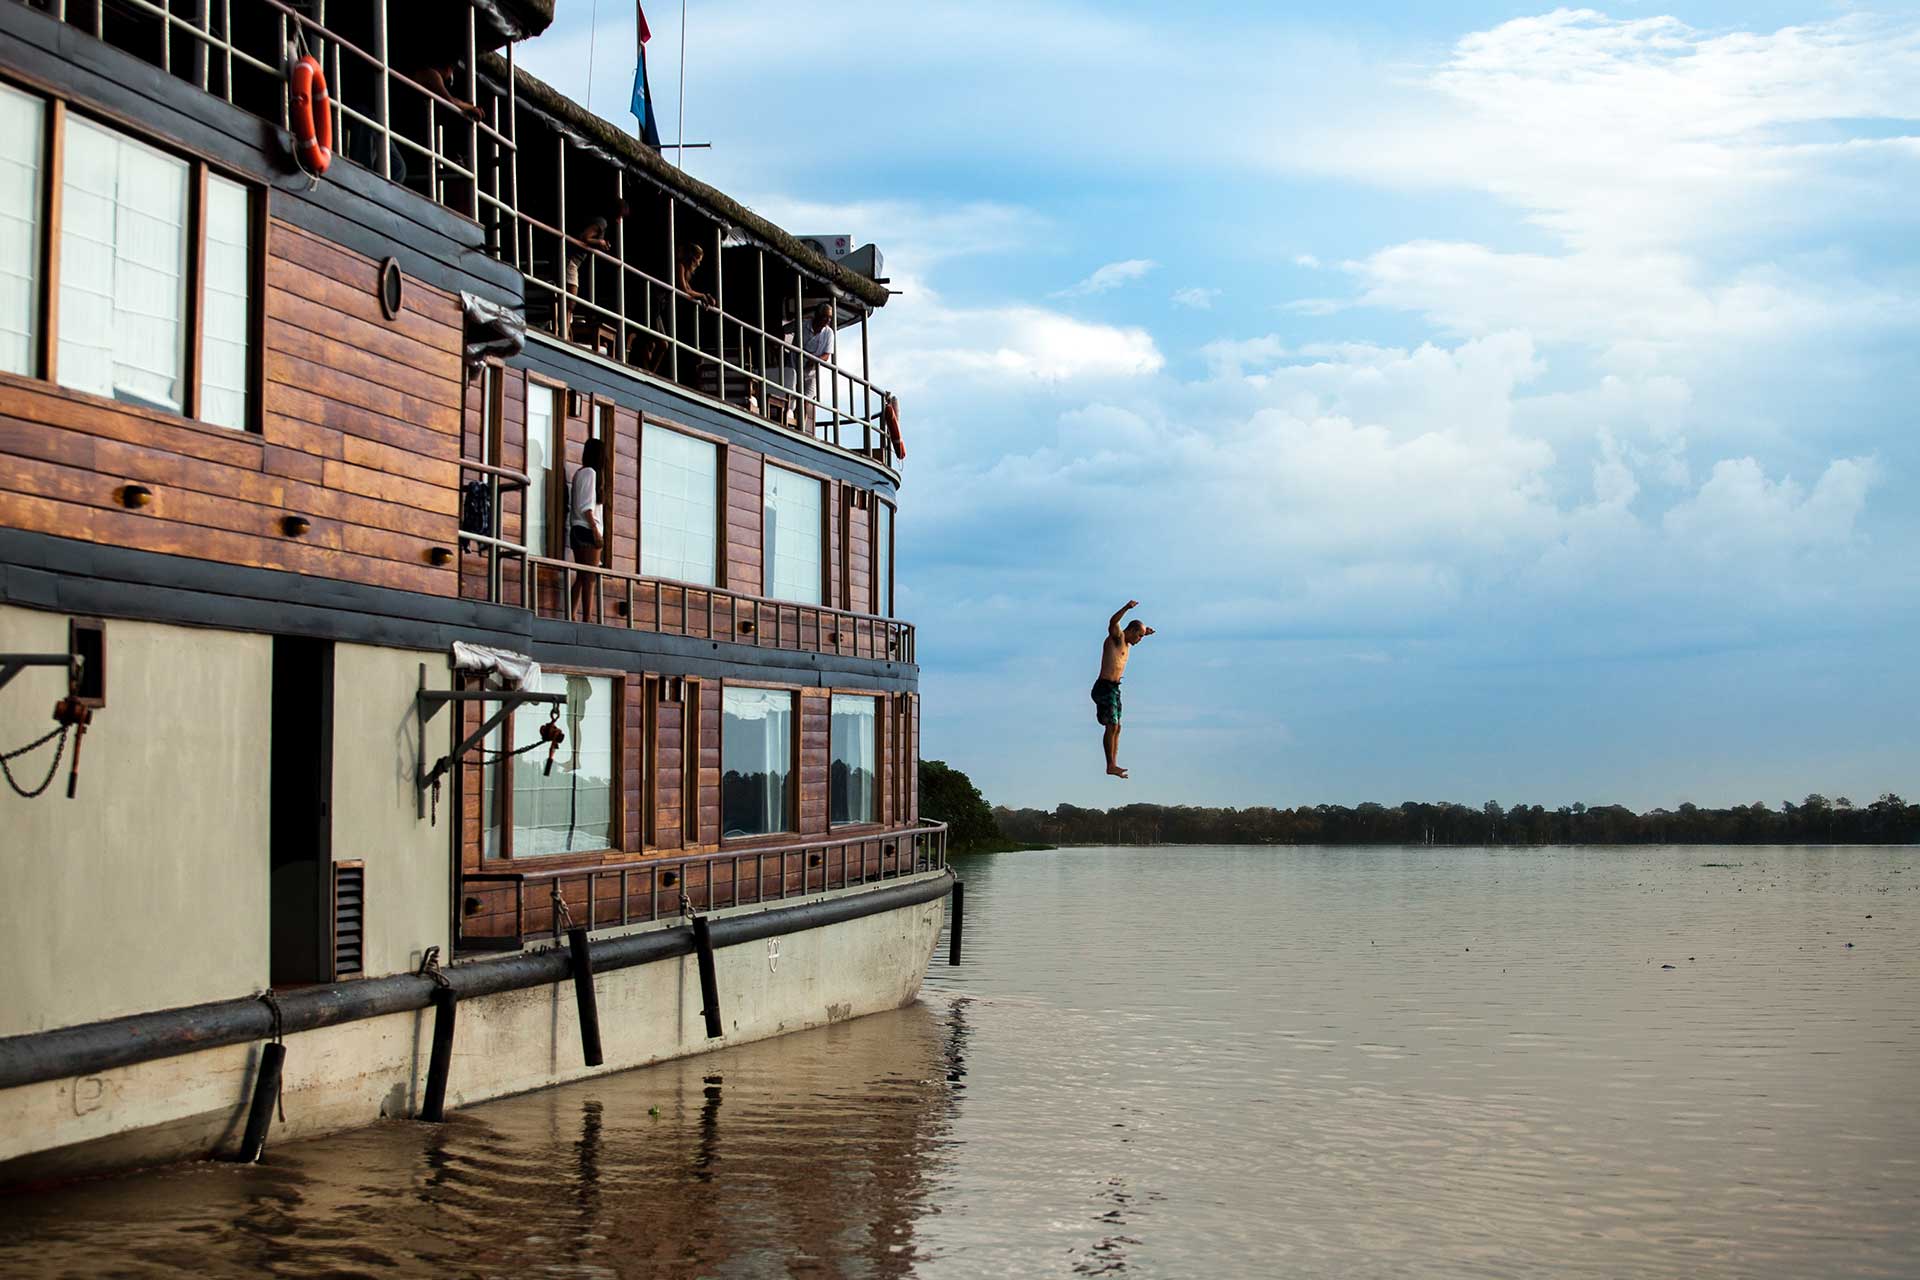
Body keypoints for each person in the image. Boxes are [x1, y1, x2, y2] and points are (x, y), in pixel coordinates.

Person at [1092, 600, 1154, 779]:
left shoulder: (1127, 645)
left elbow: (1137, 633)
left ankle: (1113, 763)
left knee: (1117, 727)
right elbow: (1112, 622)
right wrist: (1127, 608)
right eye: (1139, 636)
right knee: (1112, 725)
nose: (1140, 640)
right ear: (1132, 631)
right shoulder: (1117, 638)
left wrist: (1146, 632)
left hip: (1114, 689)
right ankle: (1110, 765)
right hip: (1104, 687)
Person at [566, 202, 627, 336]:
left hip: (573, 262)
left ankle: (565, 329)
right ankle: (563, 330)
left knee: (570, 301)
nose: (619, 221)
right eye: (620, 217)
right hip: (571, 261)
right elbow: (585, 237)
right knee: (570, 300)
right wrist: (600, 242)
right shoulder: (601, 222)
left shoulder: (603, 224)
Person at [568, 438, 605, 622]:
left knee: (582, 576)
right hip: (587, 529)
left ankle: (572, 614)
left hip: (575, 528)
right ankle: (587, 619)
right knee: (590, 578)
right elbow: (587, 507)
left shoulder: (578, 473)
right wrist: (596, 531)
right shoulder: (591, 473)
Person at [801, 302, 835, 432]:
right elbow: (784, 330)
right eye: (825, 317)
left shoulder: (829, 333)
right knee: (792, 393)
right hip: (794, 366)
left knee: (806, 399)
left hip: (812, 372)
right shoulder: (803, 324)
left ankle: (801, 427)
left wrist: (814, 360)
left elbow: (827, 355)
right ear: (817, 315)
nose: (827, 320)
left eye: (829, 318)